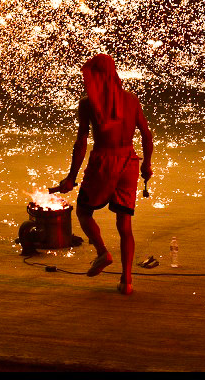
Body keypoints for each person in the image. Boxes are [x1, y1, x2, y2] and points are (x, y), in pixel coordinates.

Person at [52, 54, 153, 296]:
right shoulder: (131, 99)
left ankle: (101, 252)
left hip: (103, 161)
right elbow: (147, 136)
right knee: (125, 224)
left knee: (84, 211)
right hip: (129, 160)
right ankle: (127, 281)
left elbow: (81, 142)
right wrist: (146, 166)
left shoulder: (87, 103)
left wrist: (70, 177)